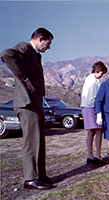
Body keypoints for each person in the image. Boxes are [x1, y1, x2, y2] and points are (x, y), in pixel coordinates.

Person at [0, 28, 54, 189]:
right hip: (26, 103)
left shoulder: (35, 54)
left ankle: (41, 176)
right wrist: (25, 79)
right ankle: (30, 178)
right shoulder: (25, 47)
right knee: (31, 141)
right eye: (48, 43)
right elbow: (6, 54)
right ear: (40, 38)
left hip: (35, 102)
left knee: (39, 139)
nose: (49, 47)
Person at [81, 61, 107, 165]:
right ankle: (97, 156)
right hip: (91, 107)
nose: (101, 76)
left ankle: (90, 156)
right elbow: (93, 97)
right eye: (101, 73)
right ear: (96, 71)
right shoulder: (92, 81)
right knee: (98, 131)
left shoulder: (92, 79)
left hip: (87, 107)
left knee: (91, 132)